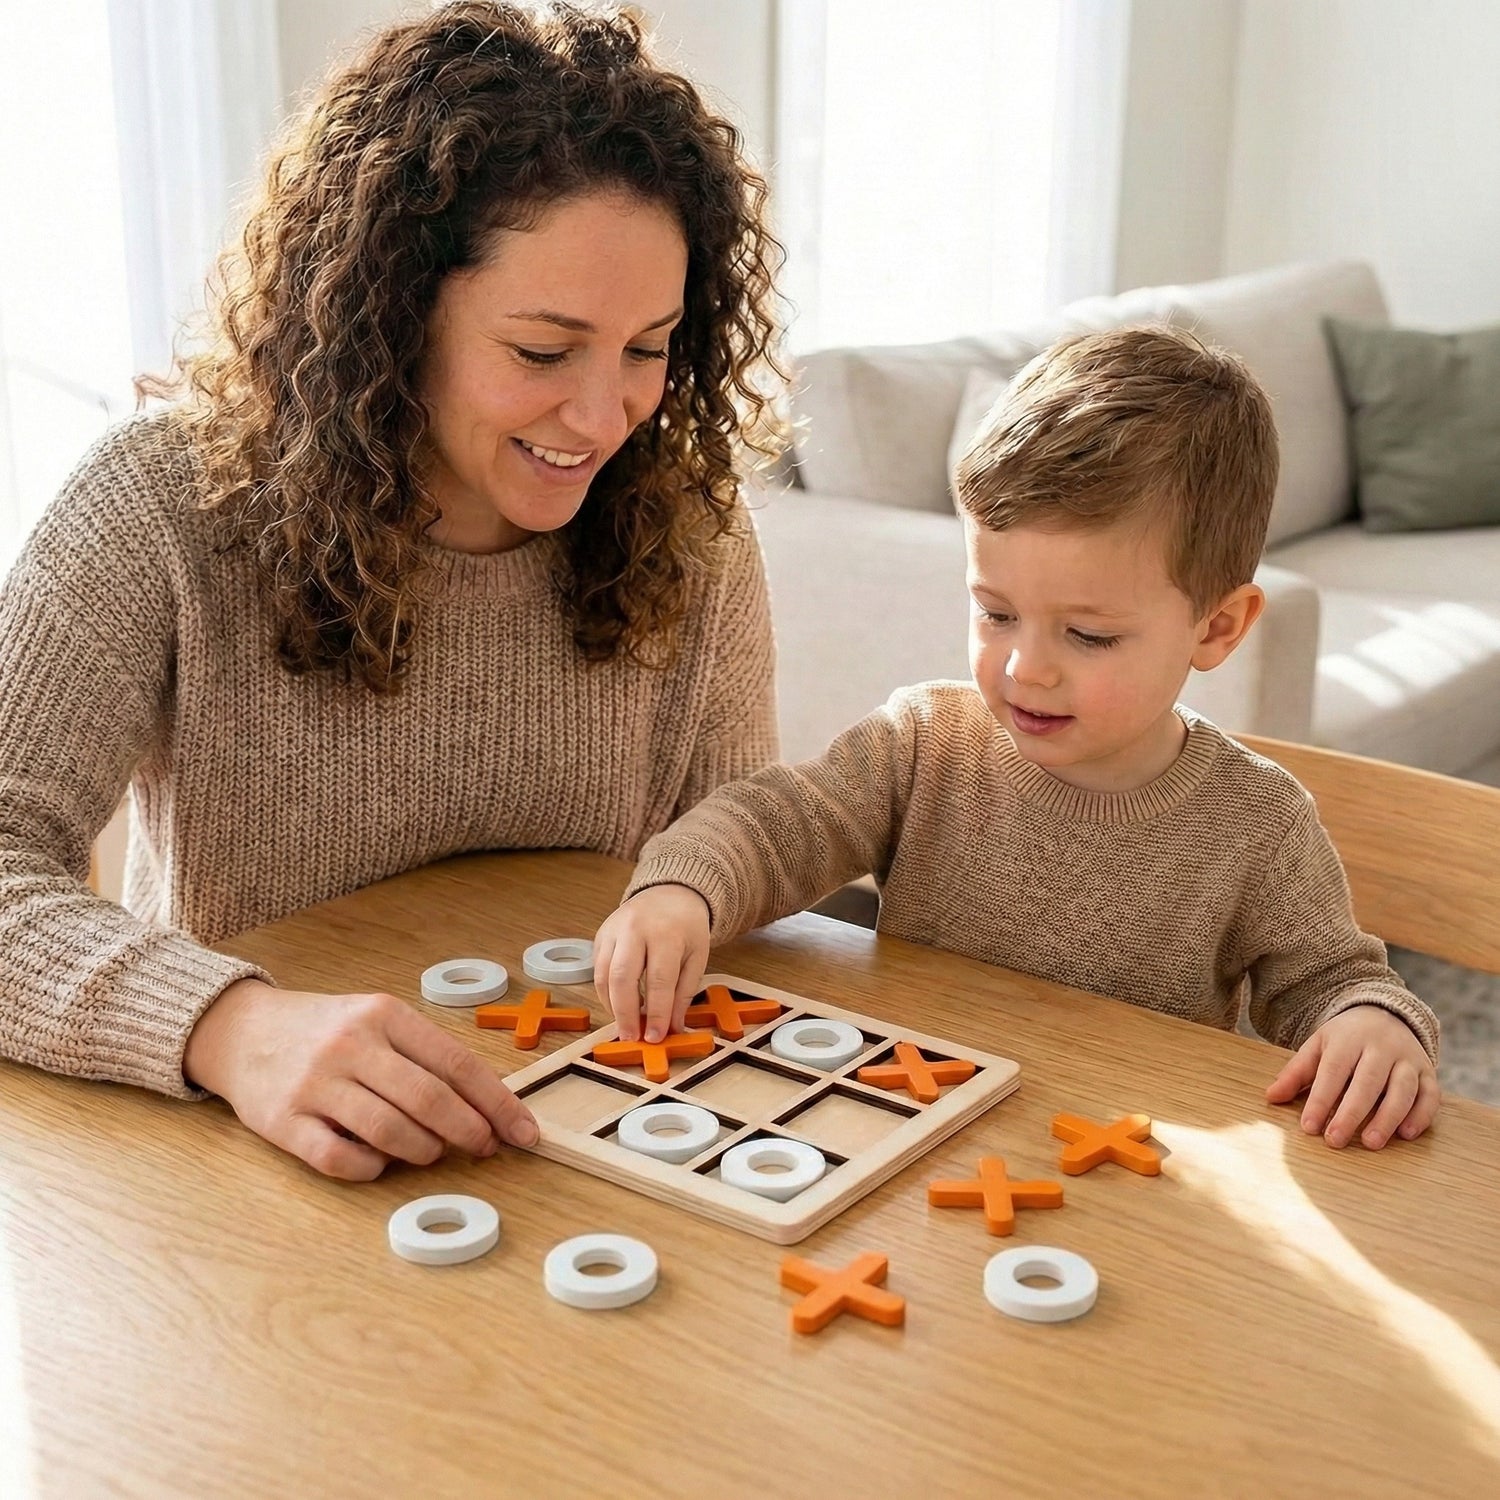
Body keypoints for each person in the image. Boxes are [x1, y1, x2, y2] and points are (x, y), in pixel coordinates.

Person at [0, 2, 787, 1181]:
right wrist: (231, 1026)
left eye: (647, 347)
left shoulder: (694, 536)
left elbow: (743, 864)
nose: (602, 416)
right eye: (540, 351)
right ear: (391, 308)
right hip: (243, 1171)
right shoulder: (158, 505)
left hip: (576, 1153)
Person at [595, 326, 1443, 1152]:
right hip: (903, 1128)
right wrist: (684, 889)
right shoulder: (926, 743)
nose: (1025, 669)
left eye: (1090, 637)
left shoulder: (1258, 822)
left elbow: (1334, 981)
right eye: (996, 613)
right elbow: (777, 821)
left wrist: (1371, 1024)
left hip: (1115, 1166)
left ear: (1217, 627)